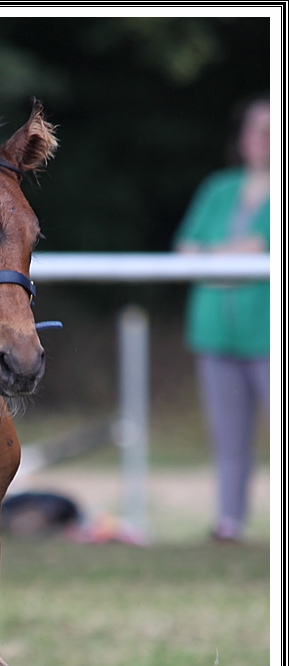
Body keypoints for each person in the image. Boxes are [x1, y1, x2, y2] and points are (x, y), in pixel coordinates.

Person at [174, 96, 270, 542]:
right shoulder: (219, 188)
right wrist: (231, 259)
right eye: (257, 129)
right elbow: (187, 251)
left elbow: (258, 251)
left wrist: (217, 262)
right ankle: (229, 522)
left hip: (270, 334)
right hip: (215, 333)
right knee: (228, 435)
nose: (264, 140)